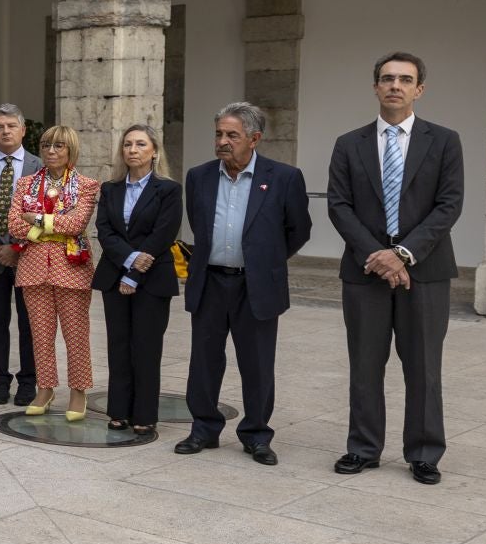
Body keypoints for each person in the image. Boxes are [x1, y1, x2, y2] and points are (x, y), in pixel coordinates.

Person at [328, 52, 463, 485]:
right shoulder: (349, 143)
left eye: (405, 79)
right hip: (365, 273)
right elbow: (340, 206)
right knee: (365, 366)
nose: (395, 86)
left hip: (425, 273)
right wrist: (379, 257)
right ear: (375, 87)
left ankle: (423, 452)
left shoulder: (443, 140)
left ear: (419, 89)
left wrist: (402, 254)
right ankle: (363, 448)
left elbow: (449, 205)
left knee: (423, 367)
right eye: (387, 78)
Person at [177, 102, 312, 463]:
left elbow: (299, 230)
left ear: (254, 138)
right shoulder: (199, 176)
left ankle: (256, 434)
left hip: (255, 285)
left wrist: (263, 260)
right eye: (219, 134)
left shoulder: (284, 177)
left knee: (256, 363)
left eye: (232, 135)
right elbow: (199, 225)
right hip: (210, 282)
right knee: (204, 361)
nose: (223, 141)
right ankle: (203, 429)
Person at [93, 125, 182, 436]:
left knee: (145, 348)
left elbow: (163, 233)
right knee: (118, 346)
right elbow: (105, 231)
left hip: (153, 279)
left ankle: (144, 414)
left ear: (154, 151)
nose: (132, 149)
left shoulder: (169, 190)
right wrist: (130, 261)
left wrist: (134, 273)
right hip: (113, 275)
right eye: (128, 144)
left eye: (140, 144)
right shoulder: (110, 189)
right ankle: (118, 411)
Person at [7, 125, 100, 421]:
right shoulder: (25, 184)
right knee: (41, 335)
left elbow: (76, 225)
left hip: (72, 268)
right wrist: (51, 225)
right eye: (46, 145)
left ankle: (78, 391)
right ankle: (45, 388)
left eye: (59, 146)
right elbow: (13, 225)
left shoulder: (86, 185)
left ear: (71, 149)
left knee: (75, 334)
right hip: (34, 268)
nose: (51, 151)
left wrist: (34, 220)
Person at [0, 104, 40, 406]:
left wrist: (17, 248)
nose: (5, 131)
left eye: (11, 126)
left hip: (30, 258)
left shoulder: (40, 167)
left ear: (23, 130)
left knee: (30, 323)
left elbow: (45, 215)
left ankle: (29, 381)